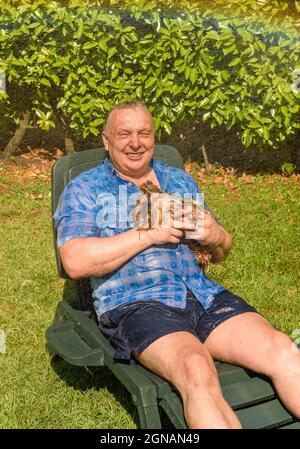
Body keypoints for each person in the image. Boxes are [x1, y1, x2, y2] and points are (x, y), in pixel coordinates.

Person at [54, 101, 300, 429]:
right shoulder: (85, 189)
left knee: (282, 348)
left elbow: (221, 251)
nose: (135, 142)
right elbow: (75, 260)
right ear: (106, 140)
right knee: (197, 369)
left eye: (144, 133)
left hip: (203, 296)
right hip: (139, 303)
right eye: (124, 134)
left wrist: (216, 234)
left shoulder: (179, 181)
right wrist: (148, 235)